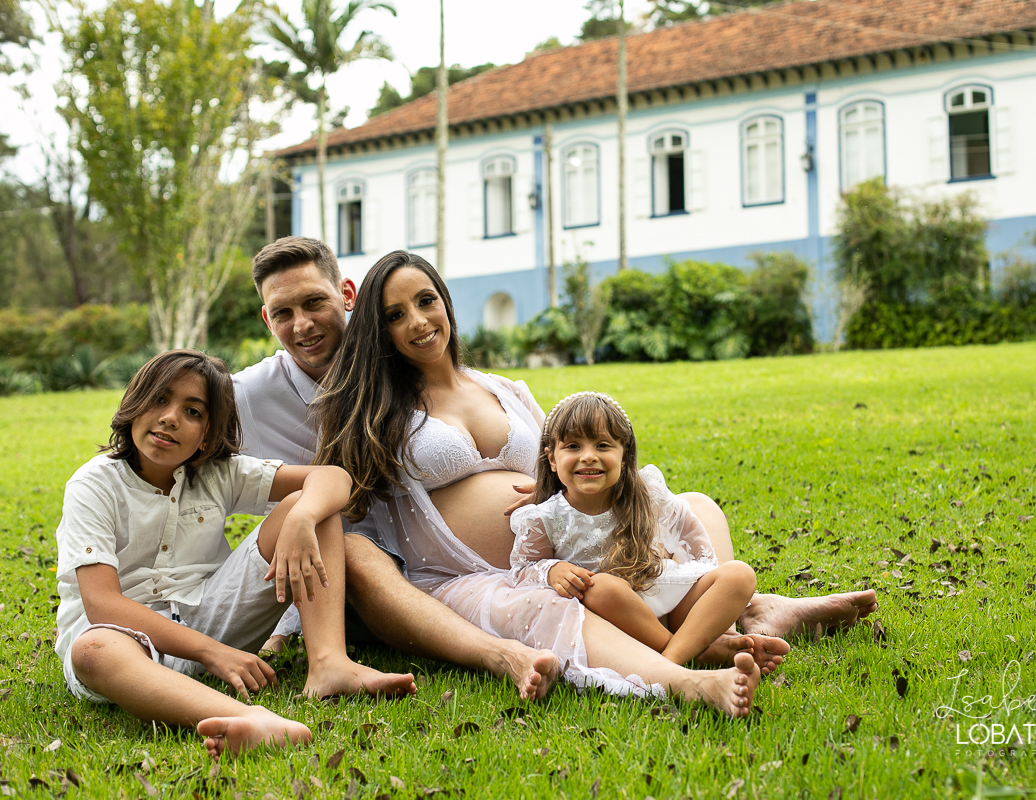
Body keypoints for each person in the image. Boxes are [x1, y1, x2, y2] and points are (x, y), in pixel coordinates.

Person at [315, 252, 773, 714]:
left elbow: (567, 458)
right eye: (395, 315)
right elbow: (340, 513)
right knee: (549, 604)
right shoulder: (373, 414)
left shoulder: (504, 389)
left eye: (426, 301)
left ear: (445, 302)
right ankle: (690, 681)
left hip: (575, 541)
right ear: (380, 332)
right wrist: (291, 624)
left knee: (697, 506)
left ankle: (716, 632)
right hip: (472, 575)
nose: (417, 321)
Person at [233, 237, 558, 701]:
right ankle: (494, 654)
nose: (302, 324)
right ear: (267, 320)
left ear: (347, 295)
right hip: (359, 579)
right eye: (283, 313)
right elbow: (170, 444)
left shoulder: (399, 366)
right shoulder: (250, 395)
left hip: (456, 556)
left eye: (314, 302)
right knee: (348, 543)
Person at [54, 351, 415, 760]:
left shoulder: (217, 472)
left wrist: (303, 516)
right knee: (93, 651)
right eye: (159, 399)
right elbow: (103, 605)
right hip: (125, 640)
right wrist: (212, 653)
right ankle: (252, 720)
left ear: (207, 435)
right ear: (134, 404)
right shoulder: (93, 484)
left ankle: (330, 663)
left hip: (208, 615)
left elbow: (332, 477)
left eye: (193, 412)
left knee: (314, 507)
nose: (170, 418)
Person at [510, 391, 759, 667]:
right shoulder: (545, 517)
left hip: (667, 597)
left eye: (603, 445)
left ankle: (677, 654)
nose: (589, 456)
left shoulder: (647, 493)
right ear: (552, 459)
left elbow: (691, 535)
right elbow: (520, 570)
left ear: (625, 456)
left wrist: (702, 580)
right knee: (600, 586)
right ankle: (686, 655)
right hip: (618, 616)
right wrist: (551, 570)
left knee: (739, 574)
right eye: (573, 446)